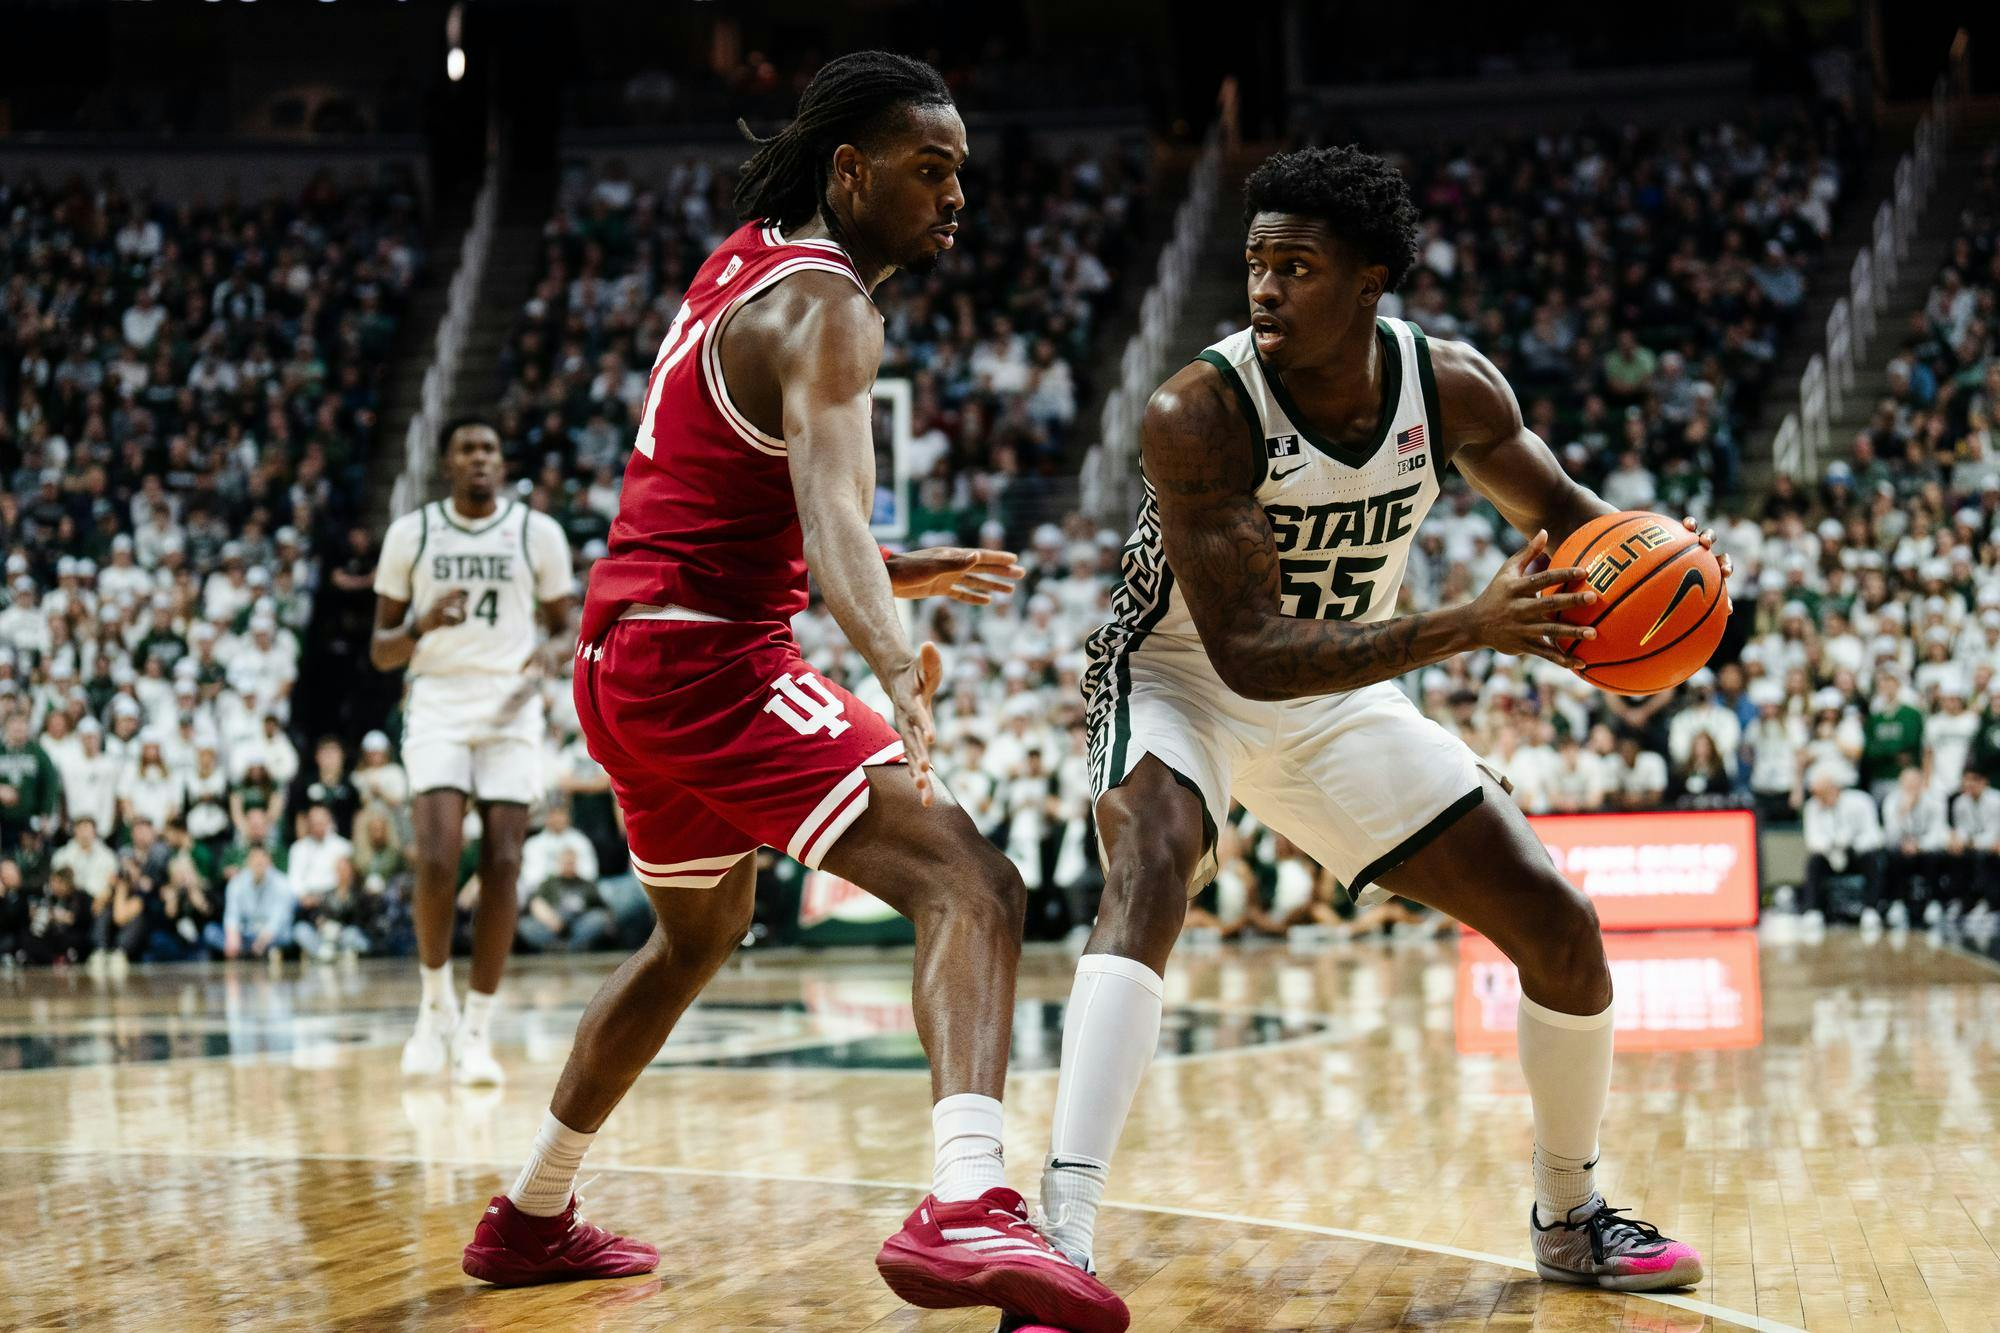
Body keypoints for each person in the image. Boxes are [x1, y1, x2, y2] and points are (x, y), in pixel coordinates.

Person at [460, 52, 1125, 1333]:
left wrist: (894, 569)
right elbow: (826, 524)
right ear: (849, 170)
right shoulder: (831, 306)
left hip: (625, 657)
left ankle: (529, 1214)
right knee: (970, 880)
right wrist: (892, 663)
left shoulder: (745, 256)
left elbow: (751, 497)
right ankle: (967, 1200)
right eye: (930, 170)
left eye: (962, 175)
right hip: (706, 659)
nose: (955, 199)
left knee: (694, 940)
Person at [1018, 144, 1720, 1327]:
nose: (1262, 290)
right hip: (1182, 675)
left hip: (1345, 689)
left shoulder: (1449, 391)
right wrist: (1465, 627)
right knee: (1148, 867)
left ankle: (1569, 1214)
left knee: (1559, 923)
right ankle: (1060, 1234)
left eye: (1293, 266)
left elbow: (1573, 523)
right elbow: (1245, 650)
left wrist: (1670, 567)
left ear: (1368, 281)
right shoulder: (1194, 411)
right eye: (1252, 266)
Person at [371, 415, 576, 1086]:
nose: (481, 458)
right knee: (435, 854)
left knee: (507, 859)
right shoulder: (413, 533)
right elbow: (381, 651)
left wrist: (548, 656)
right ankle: (436, 1009)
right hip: (437, 698)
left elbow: (563, 627)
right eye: (467, 449)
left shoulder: (535, 532)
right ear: (447, 464)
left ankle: (478, 1030)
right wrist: (422, 623)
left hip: (510, 703)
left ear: (500, 459)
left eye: (490, 447)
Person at [206, 843, 295, 961]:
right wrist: (232, 937)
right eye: (255, 858)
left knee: (288, 936)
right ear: (248, 861)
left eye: (262, 858)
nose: (259, 862)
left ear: (269, 860)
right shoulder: (237, 883)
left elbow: (278, 919)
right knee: (210, 932)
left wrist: (262, 941)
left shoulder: (282, 884)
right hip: (246, 934)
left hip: (271, 936)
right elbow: (232, 914)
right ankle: (244, 953)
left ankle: (248, 954)